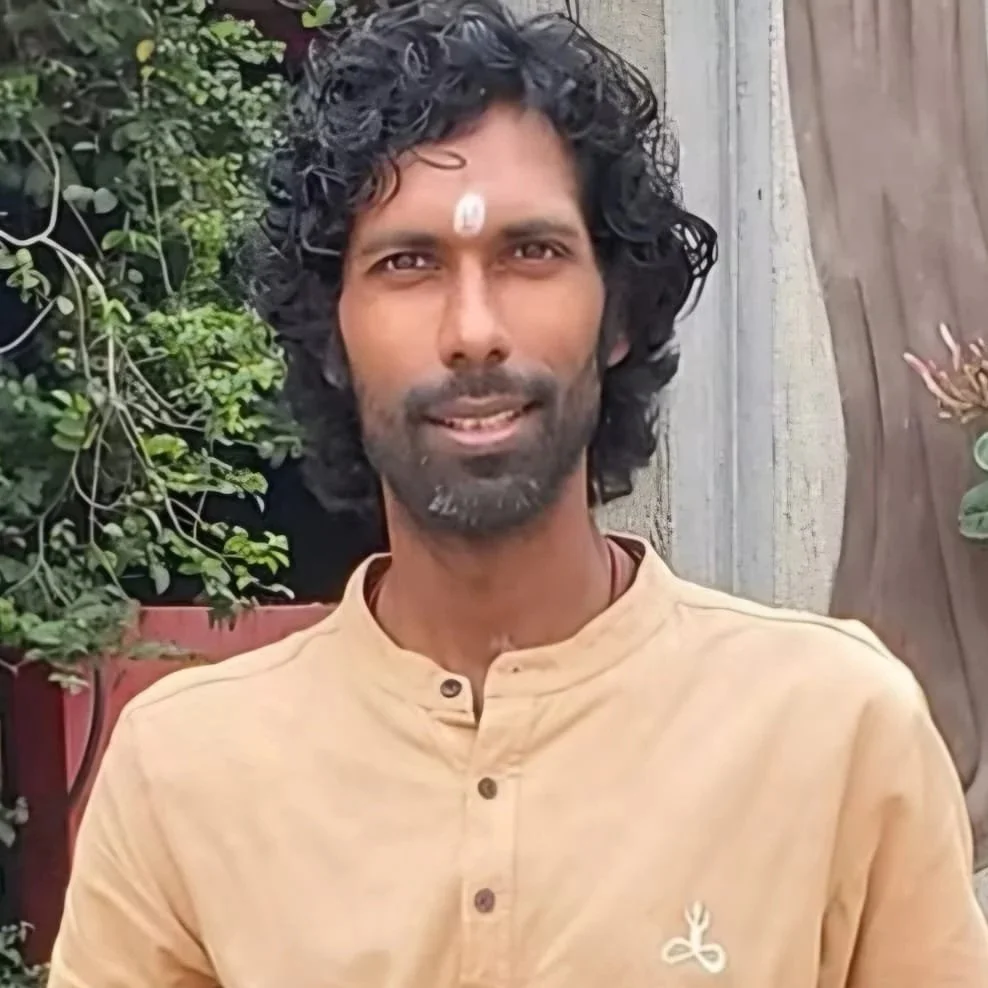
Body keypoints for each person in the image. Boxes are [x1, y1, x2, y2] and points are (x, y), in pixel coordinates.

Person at [49, 1, 988, 986]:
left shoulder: (833, 728)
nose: (472, 330)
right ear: (330, 335)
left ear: (617, 311)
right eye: (406, 263)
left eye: (529, 253)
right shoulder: (187, 772)